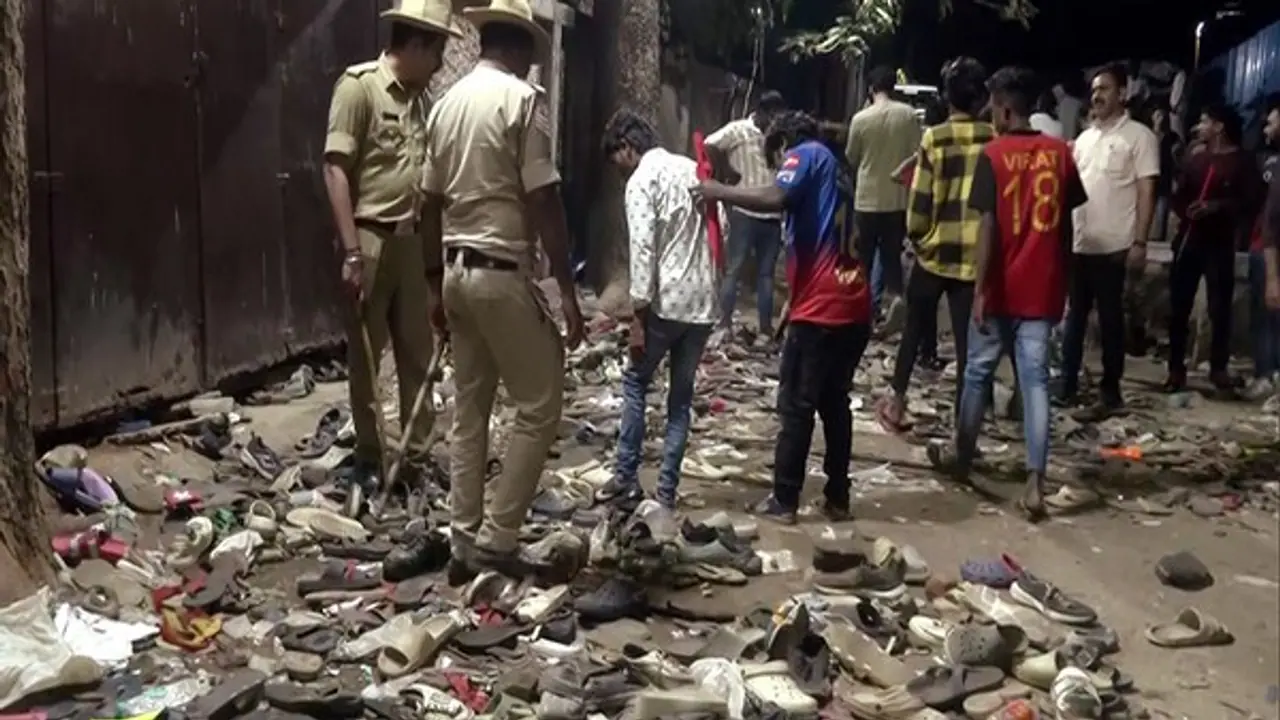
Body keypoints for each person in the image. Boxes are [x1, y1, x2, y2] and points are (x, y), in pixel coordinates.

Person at [420, 0, 584, 573]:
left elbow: (427, 202)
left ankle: (462, 538)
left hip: (456, 273)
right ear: (515, 48)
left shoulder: (444, 106)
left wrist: (433, 287)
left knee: (471, 411)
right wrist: (566, 289)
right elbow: (543, 197)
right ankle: (499, 537)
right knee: (541, 404)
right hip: (499, 271)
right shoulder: (522, 102)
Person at [693, 111, 872, 524]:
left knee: (795, 405)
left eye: (774, 158)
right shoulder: (838, 170)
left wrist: (717, 190)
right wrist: (793, 303)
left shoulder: (805, 154)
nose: (776, 167)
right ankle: (837, 496)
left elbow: (776, 198)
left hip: (823, 309)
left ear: (782, 145)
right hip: (852, 304)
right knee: (834, 403)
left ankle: (784, 500)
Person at [928, 67, 1087, 518]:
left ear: (1005, 107)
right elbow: (1065, 226)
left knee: (978, 373)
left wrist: (979, 291)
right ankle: (1035, 482)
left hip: (1000, 288)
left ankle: (962, 457)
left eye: (993, 106)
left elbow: (989, 229)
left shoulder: (993, 155)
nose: (990, 114)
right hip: (1042, 289)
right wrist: (1065, 282)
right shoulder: (1061, 154)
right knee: (1035, 382)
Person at [322, 0, 461, 500]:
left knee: (418, 356)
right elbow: (336, 169)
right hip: (371, 238)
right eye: (438, 51)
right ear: (416, 45)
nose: (441, 64)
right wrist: (352, 252)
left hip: (410, 240)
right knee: (366, 356)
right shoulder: (359, 88)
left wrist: (431, 276)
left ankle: (414, 459)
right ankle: (371, 456)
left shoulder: (421, 104)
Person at [595, 111, 718, 509]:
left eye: (615, 159)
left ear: (627, 148)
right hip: (702, 304)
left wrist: (637, 319)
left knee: (635, 383)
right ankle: (666, 491)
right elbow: (723, 229)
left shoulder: (641, 181)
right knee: (679, 401)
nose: (616, 171)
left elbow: (644, 250)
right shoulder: (692, 169)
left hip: (665, 304)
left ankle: (626, 477)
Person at [876, 57, 996, 433]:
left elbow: (921, 199)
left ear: (947, 97)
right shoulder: (994, 140)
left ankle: (896, 402)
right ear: (982, 99)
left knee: (912, 331)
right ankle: (965, 424)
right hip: (974, 258)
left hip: (934, 254)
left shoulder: (935, 137)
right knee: (966, 347)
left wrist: (918, 238)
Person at [1058, 63, 1159, 419]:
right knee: (1074, 319)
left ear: (1123, 93)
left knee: (1111, 320)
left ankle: (1110, 391)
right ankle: (1067, 385)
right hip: (1081, 244)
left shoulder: (1139, 137)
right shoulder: (1084, 139)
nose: (1097, 95)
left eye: (1105, 89)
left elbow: (1147, 191)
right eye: (1094, 90)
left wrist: (1140, 242)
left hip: (1115, 247)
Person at [1165, 103, 1262, 393]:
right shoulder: (1196, 158)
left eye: (1205, 120)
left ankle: (1218, 368)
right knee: (1178, 307)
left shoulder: (1242, 161)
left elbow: (1251, 201)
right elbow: (1180, 194)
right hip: (1188, 240)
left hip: (1218, 243)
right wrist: (1186, 209)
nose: (1199, 126)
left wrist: (1216, 207)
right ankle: (1175, 369)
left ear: (1219, 126)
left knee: (1219, 307)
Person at [705, 91, 787, 342]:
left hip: (771, 215)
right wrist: (726, 169)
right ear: (760, 112)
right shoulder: (738, 130)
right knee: (734, 270)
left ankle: (764, 328)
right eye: (770, 118)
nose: (772, 123)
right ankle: (724, 325)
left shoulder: (778, 136)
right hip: (743, 211)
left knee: (766, 275)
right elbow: (709, 143)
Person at [846, 66, 921, 329]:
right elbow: (918, 153)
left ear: (871, 89)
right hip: (897, 200)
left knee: (863, 257)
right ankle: (897, 297)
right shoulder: (909, 115)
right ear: (893, 87)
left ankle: (862, 309)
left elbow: (851, 157)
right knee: (891, 255)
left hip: (866, 199)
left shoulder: (860, 119)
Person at [1245, 100, 1280, 399]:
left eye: (1272, 122)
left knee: (1269, 318)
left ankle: (1270, 375)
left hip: (1268, 249)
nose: (1268, 128)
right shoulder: (1265, 160)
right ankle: (1266, 374)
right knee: (1267, 316)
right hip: (1266, 251)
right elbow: (1268, 223)